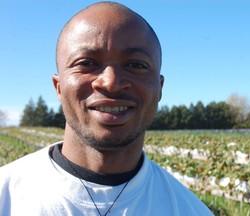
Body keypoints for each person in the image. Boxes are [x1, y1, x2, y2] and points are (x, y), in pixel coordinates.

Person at [0, 2, 213, 215]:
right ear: (59, 87)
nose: (110, 82)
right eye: (86, 63)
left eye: (136, 65)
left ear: (159, 88)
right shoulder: (6, 195)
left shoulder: (191, 210)